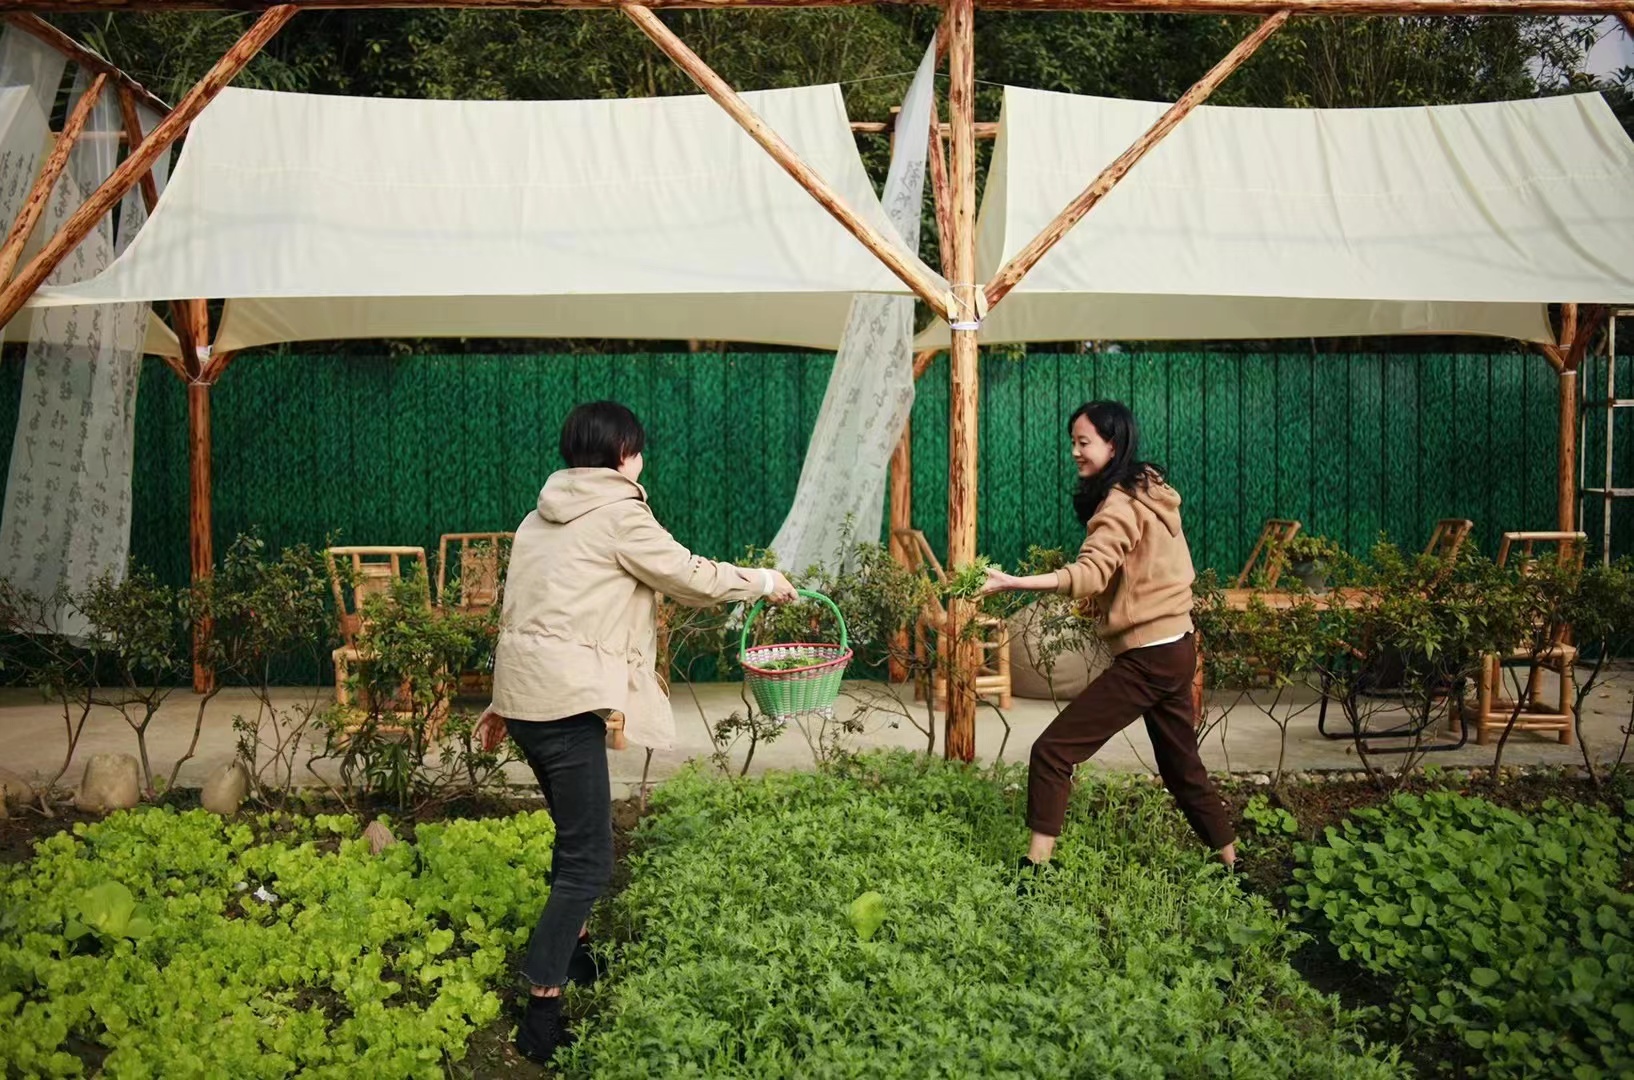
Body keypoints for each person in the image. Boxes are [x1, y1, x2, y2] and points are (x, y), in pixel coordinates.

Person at [475, 400, 797, 1065]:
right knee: (591, 859)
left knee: (576, 841)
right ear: (623, 452)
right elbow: (689, 576)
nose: (641, 459)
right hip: (564, 703)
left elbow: (520, 611)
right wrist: (763, 580)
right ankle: (542, 1010)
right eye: (638, 449)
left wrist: (498, 703)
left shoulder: (537, 517)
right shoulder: (621, 514)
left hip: (529, 702)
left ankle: (579, 954)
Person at [980, 400, 1236, 877]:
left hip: (1150, 656)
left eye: (1084, 443)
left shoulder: (1120, 502)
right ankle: (1231, 864)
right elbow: (1146, 572)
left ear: (1112, 444)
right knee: (1182, 768)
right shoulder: (1150, 491)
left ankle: (1033, 875)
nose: (1075, 452)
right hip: (1177, 644)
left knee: (1053, 751)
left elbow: (1093, 571)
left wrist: (1015, 582)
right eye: (1072, 442)